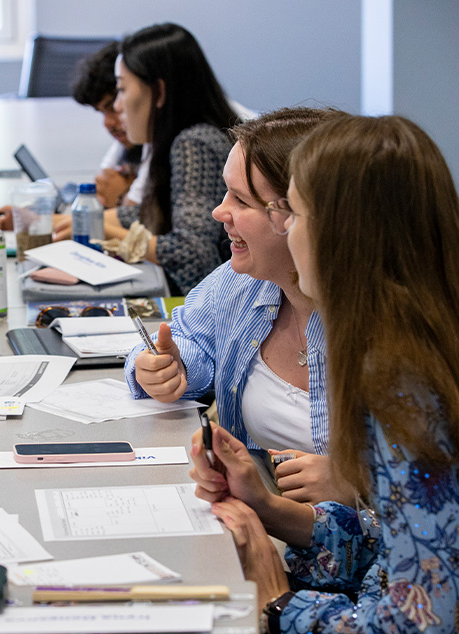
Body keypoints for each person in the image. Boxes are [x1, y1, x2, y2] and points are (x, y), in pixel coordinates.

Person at [191, 114, 459, 632]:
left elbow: (414, 622)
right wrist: (267, 508)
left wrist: (279, 601)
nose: (286, 231)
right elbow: (395, 546)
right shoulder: (405, 345)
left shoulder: (407, 388)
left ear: (346, 235)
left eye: (293, 212)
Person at [126, 107, 352, 505]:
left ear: (305, 214)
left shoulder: (389, 325)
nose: (218, 212)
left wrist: (362, 484)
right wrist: (165, 368)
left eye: (241, 200)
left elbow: (430, 487)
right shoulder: (240, 282)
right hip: (267, 522)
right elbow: (189, 339)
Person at [54, 23, 239, 295]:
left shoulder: (195, 144)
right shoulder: (175, 139)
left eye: (122, 90)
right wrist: (48, 221)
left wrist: (105, 231)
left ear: (160, 92)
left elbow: (193, 255)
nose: (118, 105)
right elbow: (152, 215)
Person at [71, 41, 147, 209]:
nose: (108, 123)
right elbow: (101, 191)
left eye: (111, 106)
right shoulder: (125, 141)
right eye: (102, 112)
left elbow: (128, 210)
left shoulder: (161, 143)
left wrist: (120, 198)